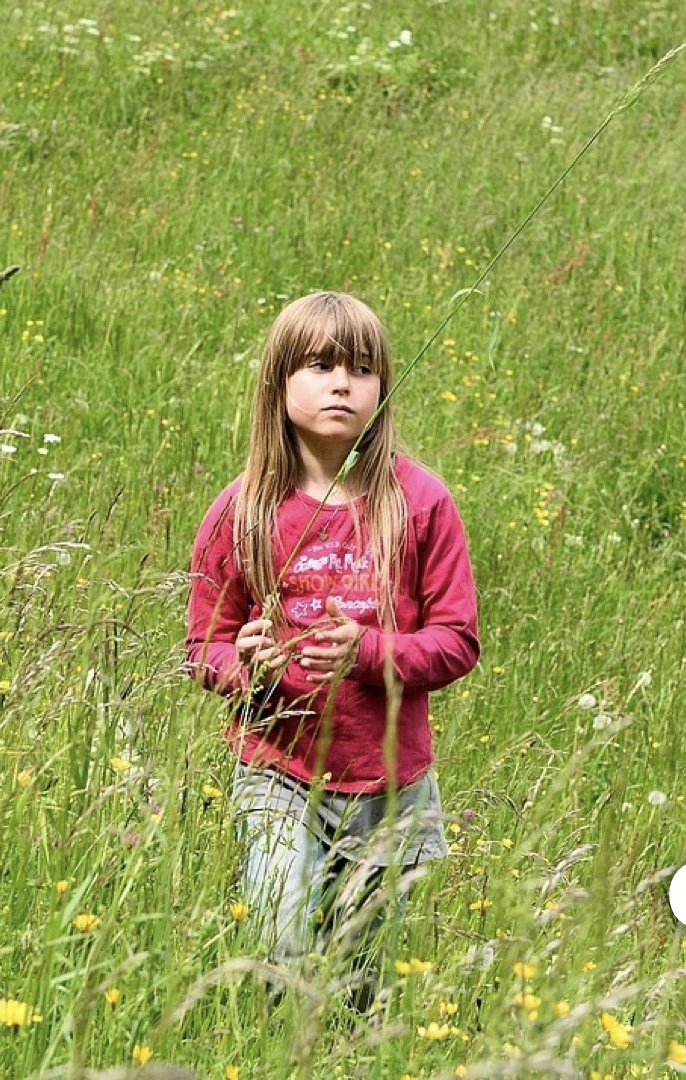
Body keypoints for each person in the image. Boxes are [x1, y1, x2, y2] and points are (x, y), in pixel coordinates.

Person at [183, 290, 481, 1013]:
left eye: (361, 368)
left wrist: (370, 652)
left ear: (382, 386)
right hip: (278, 772)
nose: (342, 383)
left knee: (365, 977)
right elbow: (203, 645)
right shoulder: (242, 509)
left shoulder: (420, 501)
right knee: (283, 942)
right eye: (319, 366)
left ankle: (346, 1048)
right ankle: (282, 1047)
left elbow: (457, 640)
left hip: (390, 781)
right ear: (278, 383)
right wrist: (242, 665)